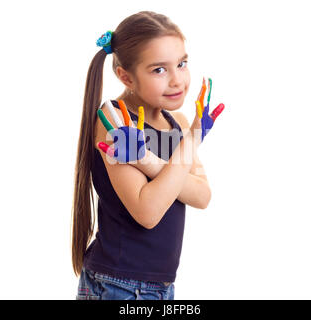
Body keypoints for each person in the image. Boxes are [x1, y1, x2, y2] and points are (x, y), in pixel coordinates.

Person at [72, 11, 222, 300]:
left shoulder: (177, 121)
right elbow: (147, 212)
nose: (177, 80)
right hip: (118, 285)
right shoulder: (114, 120)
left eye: (181, 63)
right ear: (125, 76)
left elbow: (202, 196)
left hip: (160, 288)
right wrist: (189, 143)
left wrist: (148, 160)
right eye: (159, 70)